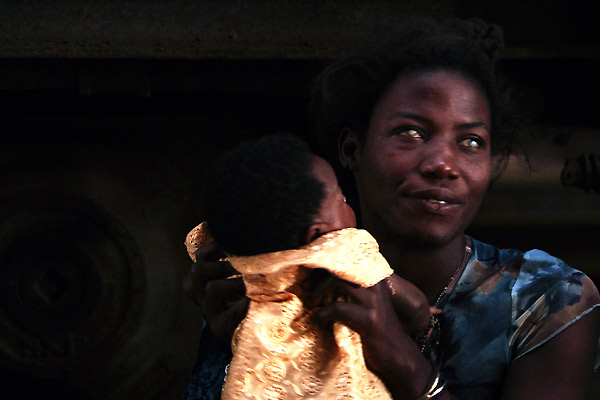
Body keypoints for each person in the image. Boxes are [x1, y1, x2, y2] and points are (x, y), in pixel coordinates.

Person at [183, 18, 600, 400]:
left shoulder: (546, 301)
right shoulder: (285, 282)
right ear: (352, 149)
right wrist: (226, 352)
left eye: (471, 141)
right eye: (410, 132)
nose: (444, 164)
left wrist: (403, 362)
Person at [182, 134, 429, 399]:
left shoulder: (234, 267)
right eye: (341, 200)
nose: (348, 201)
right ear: (316, 233)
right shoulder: (342, 248)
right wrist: (421, 318)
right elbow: (414, 306)